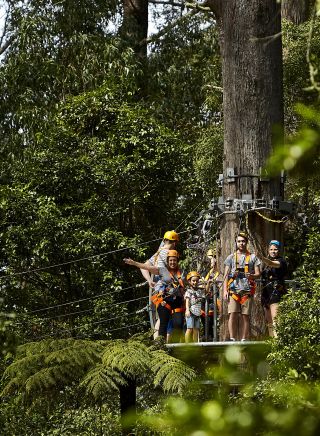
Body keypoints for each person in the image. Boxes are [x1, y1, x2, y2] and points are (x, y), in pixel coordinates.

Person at [124, 250, 184, 341]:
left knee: (178, 324)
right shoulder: (162, 270)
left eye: (174, 260)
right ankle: (161, 345)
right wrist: (134, 263)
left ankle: (175, 345)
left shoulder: (182, 272)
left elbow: (189, 283)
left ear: (177, 261)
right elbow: (146, 267)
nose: (172, 262)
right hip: (164, 300)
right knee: (163, 322)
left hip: (177, 300)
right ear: (167, 261)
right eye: (170, 260)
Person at [223, 232, 261, 341]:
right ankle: (232, 338)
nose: (241, 243)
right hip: (233, 289)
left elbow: (258, 273)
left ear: (246, 242)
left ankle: (245, 338)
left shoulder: (253, 257)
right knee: (232, 314)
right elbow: (226, 275)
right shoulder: (230, 257)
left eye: (243, 241)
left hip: (246, 289)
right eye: (239, 241)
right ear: (236, 242)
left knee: (246, 315)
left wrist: (251, 275)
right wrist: (225, 290)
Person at [257, 240, 288, 337]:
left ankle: (277, 341)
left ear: (279, 250)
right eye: (271, 249)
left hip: (276, 292)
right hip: (266, 293)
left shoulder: (281, 261)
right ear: (268, 250)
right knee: (269, 321)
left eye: (275, 249)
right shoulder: (265, 265)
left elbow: (272, 263)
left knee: (276, 320)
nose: (273, 251)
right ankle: (272, 341)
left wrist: (261, 258)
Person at [200, 248, 221, 341]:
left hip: (216, 300)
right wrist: (208, 283)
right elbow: (204, 289)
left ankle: (212, 337)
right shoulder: (204, 273)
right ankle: (207, 337)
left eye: (214, 258)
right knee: (206, 322)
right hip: (206, 300)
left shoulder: (219, 273)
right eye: (211, 258)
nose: (212, 260)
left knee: (213, 322)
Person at [185, 271, 203, 343]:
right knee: (189, 328)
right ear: (189, 281)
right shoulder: (188, 291)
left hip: (197, 313)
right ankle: (187, 343)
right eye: (193, 281)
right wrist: (187, 310)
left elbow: (206, 292)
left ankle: (195, 343)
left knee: (196, 329)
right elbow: (187, 301)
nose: (195, 282)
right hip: (191, 312)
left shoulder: (199, 291)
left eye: (197, 281)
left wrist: (208, 283)